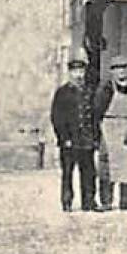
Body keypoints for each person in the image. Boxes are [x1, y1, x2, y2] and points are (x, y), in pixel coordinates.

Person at [50, 56, 99, 213]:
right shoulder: (63, 92)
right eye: (75, 71)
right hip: (70, 140)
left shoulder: (89, 91)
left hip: (86, 139)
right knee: (68, 172)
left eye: (81, 71)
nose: (79, 74)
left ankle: (89, 201)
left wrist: (95, 137)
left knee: (89, 172)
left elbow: (94, 116)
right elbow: (56, 117)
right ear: (70, 73)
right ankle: (67, 201)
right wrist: (64, 138)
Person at [93, 56, 127, 211]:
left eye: (123, 68)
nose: (121, 72)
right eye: (117, 68)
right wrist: (99, 134)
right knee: (108, 166)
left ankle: (125, 201)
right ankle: (106, 201)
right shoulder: (105, 89)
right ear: (111, 71)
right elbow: (97, 112)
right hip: (109, 128)